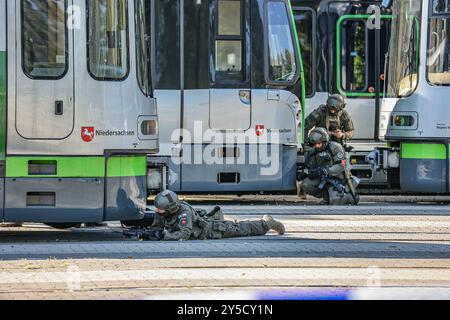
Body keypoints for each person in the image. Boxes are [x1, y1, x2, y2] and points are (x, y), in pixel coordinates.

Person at [145, 190, 286, 241]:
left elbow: (184, 235)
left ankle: (266, 223)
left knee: (242, 228)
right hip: (204, 224)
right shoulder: (162, 211)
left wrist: (165, 236)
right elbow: (156, 227)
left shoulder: (184, 213)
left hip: (213, 230)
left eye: (161, 210)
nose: (157, 211)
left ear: (171, 208)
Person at [299, 128, 360, 205]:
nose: (317, 146)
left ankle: (345, 195)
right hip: (323, 177)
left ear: (325, 141)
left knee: (336, 200)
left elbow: (341, 165)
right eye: (315, 144)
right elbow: (310, 167)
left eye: (319, 144)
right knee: (305, 184)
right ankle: (327, 197)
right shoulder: (313, 152)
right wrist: (307, 174)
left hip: (338, 177)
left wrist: (326, 171)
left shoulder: (335, 147)